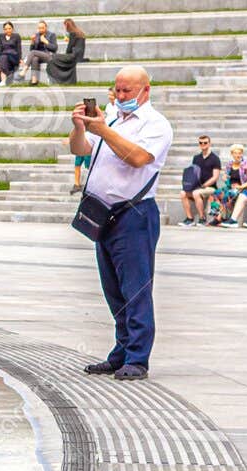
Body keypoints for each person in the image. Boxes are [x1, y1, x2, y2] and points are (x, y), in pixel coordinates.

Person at [71, 65, 172, 380]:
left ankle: (138, 357)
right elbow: (80, 149)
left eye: (127, 90)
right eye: (117, 89)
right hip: (104, 212)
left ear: (145, 90)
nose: (120, 95)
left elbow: (139, 158)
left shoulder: (156, 125)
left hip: (134, 213)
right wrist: (79, 127)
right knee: (113, 288)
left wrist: (104, 131)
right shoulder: (111, 117)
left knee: (135, 288)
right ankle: (121, 351)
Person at [178, 134, 222, 226]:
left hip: (210, 188)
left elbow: (215, 177)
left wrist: (203, 186)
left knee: (196, 193)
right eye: (200, 143)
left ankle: (202, 218)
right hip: (197, 187)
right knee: (183, 193)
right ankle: (190, 219)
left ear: (209, 143)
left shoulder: (215, 159)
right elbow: (193, 173)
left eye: (205, 143)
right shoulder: (196, 158)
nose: (203, 144)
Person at [47, 19, 86, 84]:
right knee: (54, 56)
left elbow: (69, 49)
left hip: (73, 56)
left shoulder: (72, 34)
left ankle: (56, 79)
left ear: (68, 26)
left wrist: (65, 54)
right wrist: (69, 40)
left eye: (65, 26)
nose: (64, 28)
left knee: (53, 56)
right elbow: (76, 45)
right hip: (79, 56)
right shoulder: (79, 33)